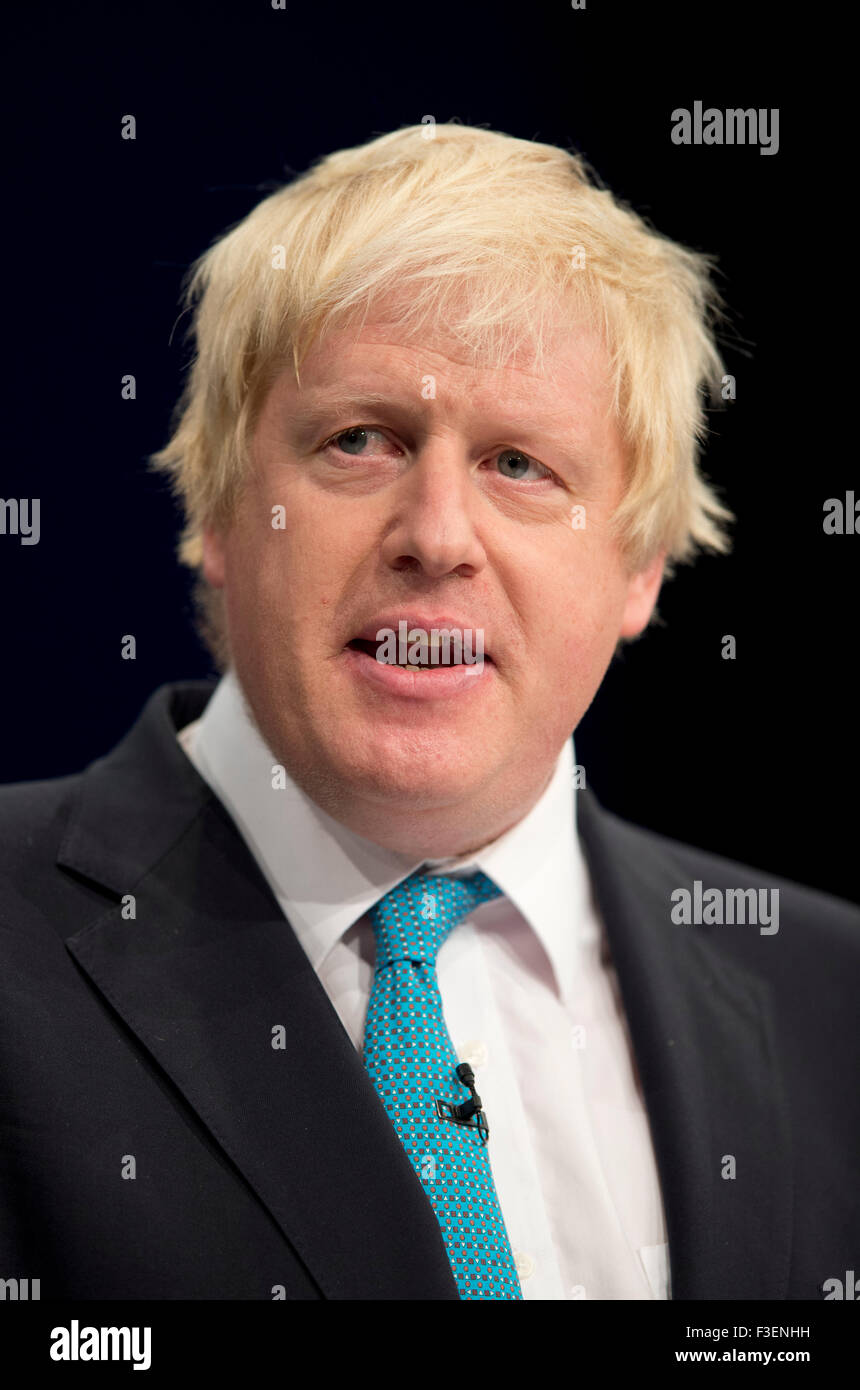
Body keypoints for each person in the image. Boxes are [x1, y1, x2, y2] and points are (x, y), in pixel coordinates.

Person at [1, 124, 856, 1302]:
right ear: (214, 507)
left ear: (641, 566)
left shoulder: (831, 996)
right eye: (360, 442)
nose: (438, 536)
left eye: (519, 464)